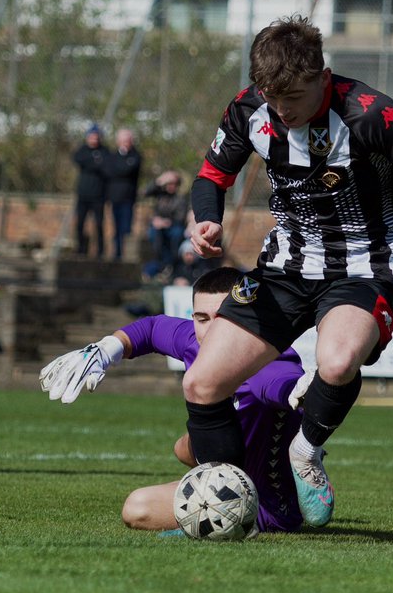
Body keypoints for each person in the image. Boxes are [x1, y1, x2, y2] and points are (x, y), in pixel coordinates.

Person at [160, 16, 393, 528]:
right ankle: (231, 503)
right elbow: (211, 175)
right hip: (286, 266)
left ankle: (306, 451)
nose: (282, 111)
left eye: (293, 97)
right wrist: (206, 217)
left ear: (324, 75)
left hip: (367, 265)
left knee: (336, 363)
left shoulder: (371, 114)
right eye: (274, 98)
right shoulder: (251, 108)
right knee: (202, 384)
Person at [39, 266, 306, 535]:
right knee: (184, 448)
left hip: (268, 504)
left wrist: (303, 400)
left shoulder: (270, 359)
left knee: (137, 508)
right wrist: (105, 350)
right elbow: (152, 328)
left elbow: (283, 386)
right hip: (230, 470)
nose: (213, 330)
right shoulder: (194, 340)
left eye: (224, 319)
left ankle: (295, 482)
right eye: (202, 319)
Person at [142, 170, 188, 280]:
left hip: (173, 226)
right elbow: (145, 192)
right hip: (159, 226)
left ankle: (170, 261)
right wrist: (160, 180)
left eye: (173, 184)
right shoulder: (160, 195)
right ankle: (160, 260)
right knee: (153, 232)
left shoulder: (180, 199)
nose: (171, 186)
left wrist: (166, 222)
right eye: (169, 183)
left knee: (177, 233)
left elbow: (180, 217)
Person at [105, 128, 141, 260]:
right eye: (124, 140)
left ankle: (127, 256)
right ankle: (117, 253)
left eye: (128, 140)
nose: (126, 142)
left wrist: (120, 169)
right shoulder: (112, 156)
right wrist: (122, 168)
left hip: (128, 197)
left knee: (126, 228)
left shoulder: (136, 156)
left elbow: (127, 170)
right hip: (115, 197)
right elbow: (109, 171)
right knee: (116, 227)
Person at [73, 125, 109, 257]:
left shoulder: (104, 151)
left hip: (98, 195)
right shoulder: (82, 150)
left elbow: (106, 166)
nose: (94, 139)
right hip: (83, 195)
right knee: (80, 223)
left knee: (99, 223)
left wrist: (93, 164)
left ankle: (100, 251)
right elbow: (78, 159)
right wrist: (95, 163)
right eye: (91, 136)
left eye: (96, 137)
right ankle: (81, 249)